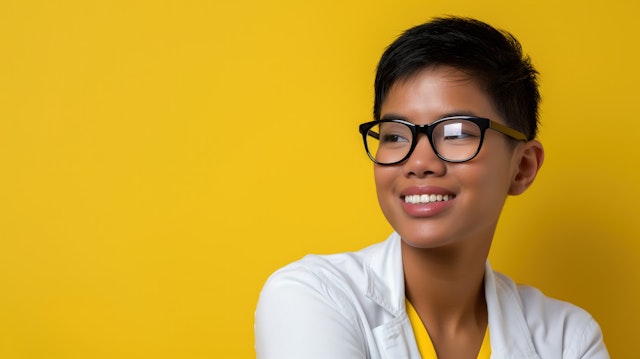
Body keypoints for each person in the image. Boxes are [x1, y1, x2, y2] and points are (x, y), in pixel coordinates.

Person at [254, 16, 609, 358]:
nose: (419, 162)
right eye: (395, 135)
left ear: (523, 167)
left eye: (456, 133)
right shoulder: (312, 296)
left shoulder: (567, 338)